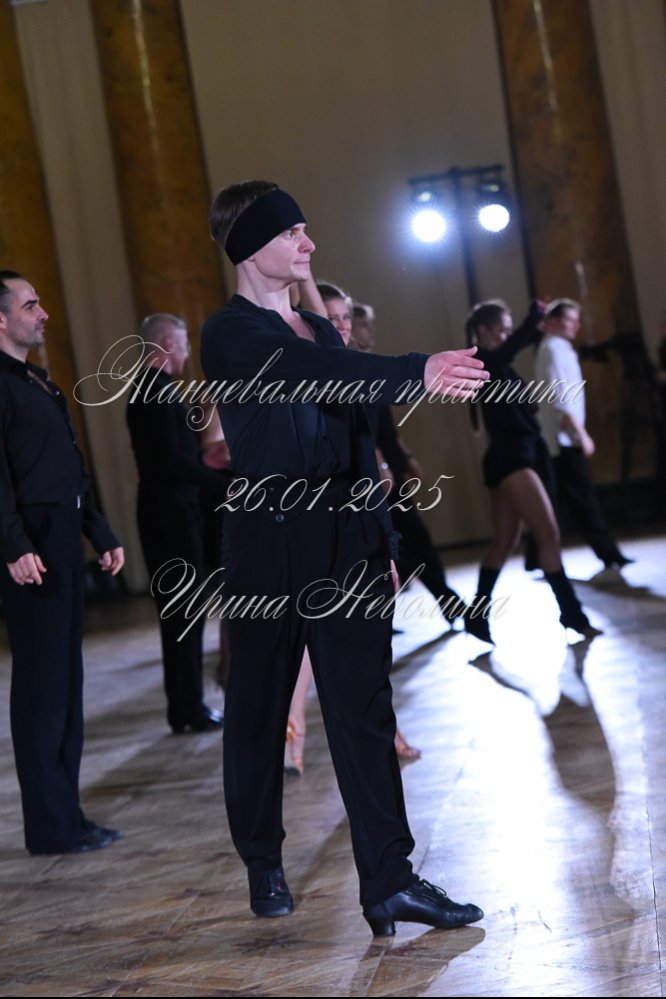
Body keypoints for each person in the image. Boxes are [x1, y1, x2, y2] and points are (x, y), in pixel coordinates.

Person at [202, 180, 486, 936]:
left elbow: (360, 444)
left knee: (364, 708)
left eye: (305, 230)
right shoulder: (230, 333)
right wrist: (417, 368)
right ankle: (263, 858)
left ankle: (390, 881)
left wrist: (381, 542)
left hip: (346, 535)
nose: (308, 243)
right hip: (268, 540)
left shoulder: (321, 331)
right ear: (250, 245)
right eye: (291, 232)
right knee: (259, 709)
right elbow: (310, 373)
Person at [0, 270, 124, 854]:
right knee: (42, 688)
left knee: (66, 683)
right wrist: (13, 544)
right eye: (30, 305)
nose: (43, 313)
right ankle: (50, 827)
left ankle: (66, 817)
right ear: (1, 319)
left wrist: (98, 529)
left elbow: (70, 467)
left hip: (61, 536)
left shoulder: (38, 381)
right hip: (31, 545)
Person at [464, 298, 598, 644]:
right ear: (483, 331)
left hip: (514, 458)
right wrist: (533, 320)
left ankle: (476, 618)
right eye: (502, 330)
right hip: (511, 460)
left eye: (509, 330)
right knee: (548, 534)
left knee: (505, 542)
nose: (506, 336)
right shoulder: (484, 362)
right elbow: (508, 351)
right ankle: (572, 614)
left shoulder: (498, 365)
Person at [126, 314, 228, 733]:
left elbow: (176, 458)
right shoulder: (156, 391)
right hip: (169, 514)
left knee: (183, 613)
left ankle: (186, 705)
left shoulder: (154, 389)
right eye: (184, 344)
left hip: (169, 509)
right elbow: (170, 464)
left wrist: (207, 462)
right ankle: (188, 707)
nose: (187, 353)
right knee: (183, 613)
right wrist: (225, 483)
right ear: (168, 343)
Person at [532, 298, 632, 570]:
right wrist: (581, 434)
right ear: (554, 322)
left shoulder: (558, 349)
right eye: (570, 319)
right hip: (564, 438)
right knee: (582, 497)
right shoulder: (553, 350)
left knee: (561, 498)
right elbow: (559, 397)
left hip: (563, 437)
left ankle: (535, 556)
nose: (576, 325)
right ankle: (609, 553)